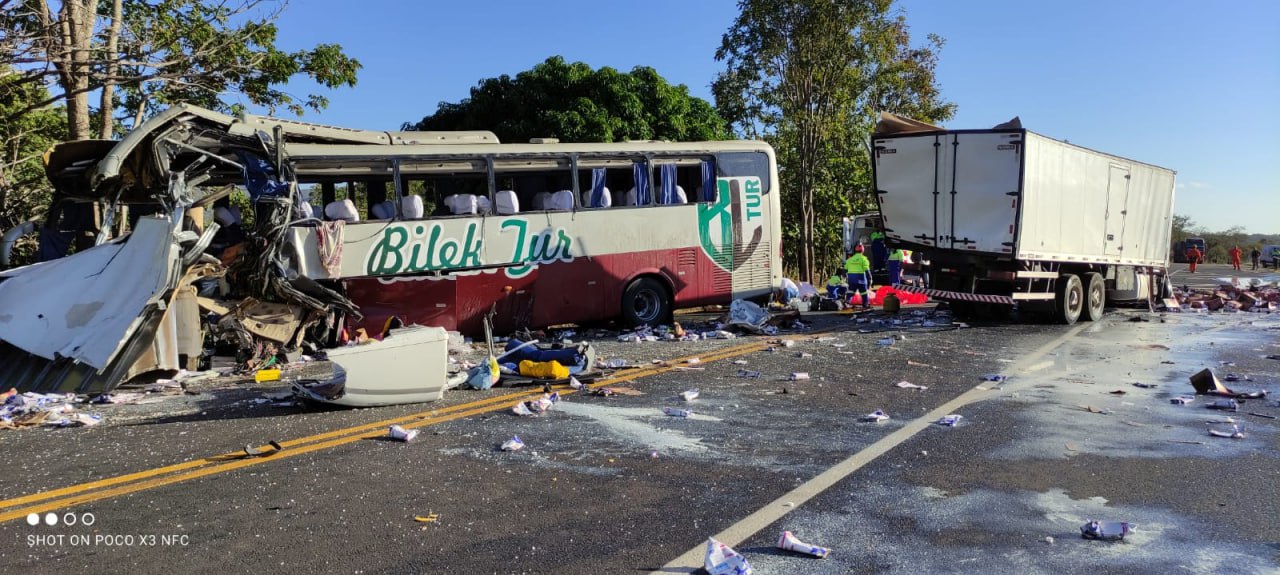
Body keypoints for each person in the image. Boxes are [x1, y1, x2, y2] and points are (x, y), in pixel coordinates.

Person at [845, 244, 872, 310]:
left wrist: (844, 278)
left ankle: (847, 303)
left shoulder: (849, 260)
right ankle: (865, 304)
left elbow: (845, 270)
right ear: (863, 251)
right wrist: (870, 279)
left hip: (851, 278)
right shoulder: (864, 259)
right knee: (864, 292)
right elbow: (867, 271)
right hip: (861, 278)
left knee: (851, 291)